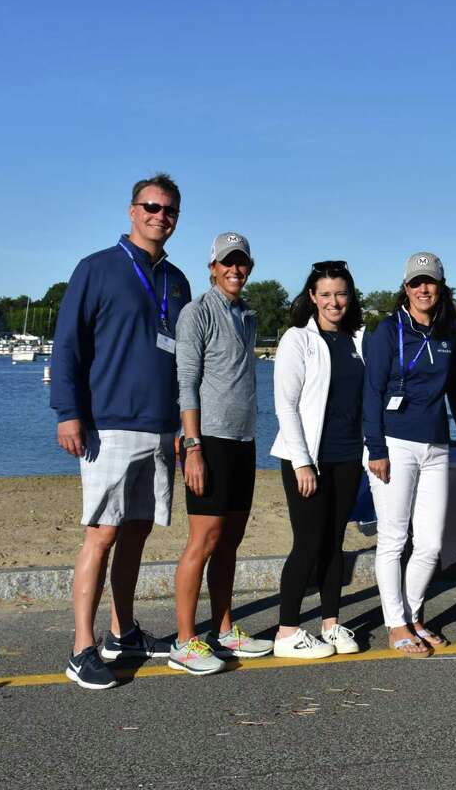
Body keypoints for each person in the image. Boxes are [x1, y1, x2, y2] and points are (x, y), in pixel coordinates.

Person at [51, 174, 192, 689]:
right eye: (152, 207)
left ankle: (122, 631)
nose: (161, 216)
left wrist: (185, 428)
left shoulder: (176, 281)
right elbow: (66, 345)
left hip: (160, 427)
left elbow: (184, 362)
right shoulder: (97, 269)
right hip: (107, 425)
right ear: (133, 211)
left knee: (137, 532)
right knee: (102, 533)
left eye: (170, 210)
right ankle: (81, 647)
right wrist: (68, 411)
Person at [170, 233, 272, 675]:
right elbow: (186, 383)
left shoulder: (246, 315)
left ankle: (225, 628)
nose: (235, 269)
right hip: (207, 440)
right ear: (212, 266)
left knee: (230, 540)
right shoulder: (197, 313)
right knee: (204, 540)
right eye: (227, 262)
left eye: (242, 263)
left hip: (242, 441)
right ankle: (184, 640)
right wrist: (192, 447)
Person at [364, 252, 456, 657]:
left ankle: (414, 614)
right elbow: (370, 394)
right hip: (394, 444)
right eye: (416, 283)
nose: (424, 289)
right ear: (405, 288)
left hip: (436, 445)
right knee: (393, 539)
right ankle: (396, 624)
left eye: (431, 282)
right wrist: (376, 447)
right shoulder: (387, 331)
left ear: (441, 288)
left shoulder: (448, 333)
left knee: (430, 543)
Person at [270, 261, 368, 659]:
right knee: (308, 543)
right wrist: (302, 462)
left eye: (340, 293)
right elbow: (285, 405)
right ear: (312, 297)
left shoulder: (358, 340)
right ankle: (287, 631)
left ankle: (330, 623)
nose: (334, 301)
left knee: (335, 542)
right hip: (307, 459)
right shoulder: (298, 340)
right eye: (325, 294)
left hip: (348, 456)